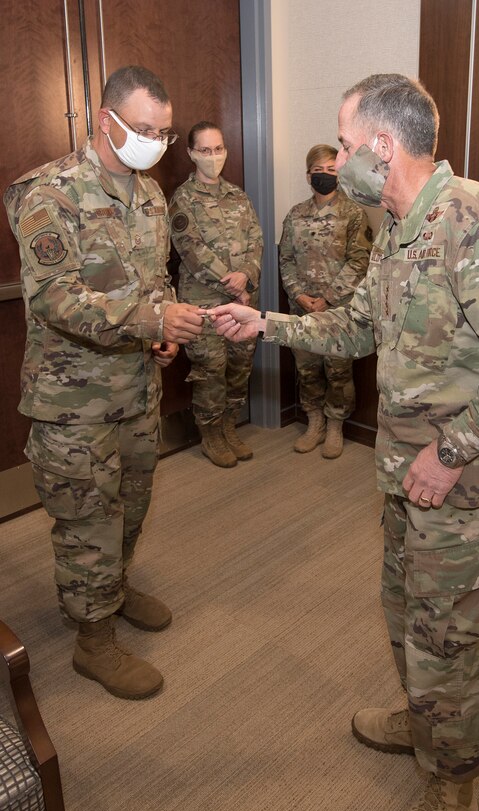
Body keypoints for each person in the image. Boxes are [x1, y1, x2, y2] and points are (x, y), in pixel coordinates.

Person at [210, 74, 479, 811]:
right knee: (407, 613)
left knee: (450, 644)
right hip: (408, 477)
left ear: (382, 145)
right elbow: (358, 325)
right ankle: (423, 722)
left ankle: (452, 788)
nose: (336, 158)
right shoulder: (396, 228)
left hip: (470, 488)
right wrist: (267, 324)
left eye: (343, 144)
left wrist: (449, 453)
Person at [4, 65, 206, 700]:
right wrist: (150, 319)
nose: (155, 143)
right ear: (105, 120)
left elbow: (154, 280)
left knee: (132, 504)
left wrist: (162, 328)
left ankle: (113, 590)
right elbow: (56, 298)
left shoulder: (149, 196)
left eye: (164, 133)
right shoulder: (49, 193)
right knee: (87, 520)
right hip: (73, 402)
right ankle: (92, 639)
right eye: (144, 129)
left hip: (135, 389)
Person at [169, 121, 263, 468]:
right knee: (211, 369)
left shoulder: (238, 196)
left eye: (219, 149)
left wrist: (247, 276)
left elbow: (256, 241)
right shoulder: (182, 199)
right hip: (204, 304)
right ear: (191, 153)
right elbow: (191, 250)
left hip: (243, 302)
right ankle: (210, 435)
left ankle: (228, 427)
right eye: (205, 150)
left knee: (239, 366)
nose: (213, 156)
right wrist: (232, 282)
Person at [279, 143, 371, 458]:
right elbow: (286, 259)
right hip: (302, 309)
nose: (324, 175)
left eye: (331, 170)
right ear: (308, 176)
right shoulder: (295, 215)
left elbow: (359, 261)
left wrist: (328, 299)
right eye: (318, 171)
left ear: (340, 173)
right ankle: (315, 422)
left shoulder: (353, 213)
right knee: (307, 369)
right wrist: (299, 295)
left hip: (338, 311)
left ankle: (335, 426)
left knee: (338, 371)